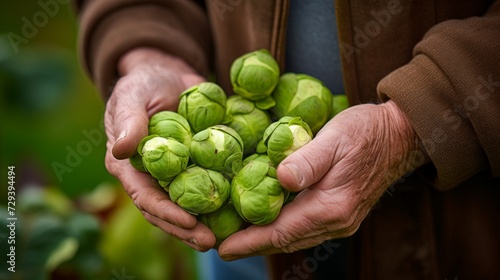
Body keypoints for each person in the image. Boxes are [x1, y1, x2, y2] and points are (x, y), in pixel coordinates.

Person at [74, 0, 500, 279]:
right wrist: (148, 50)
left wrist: (415, 122)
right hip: (240, 248)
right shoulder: (220, 166)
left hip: (460, 235)